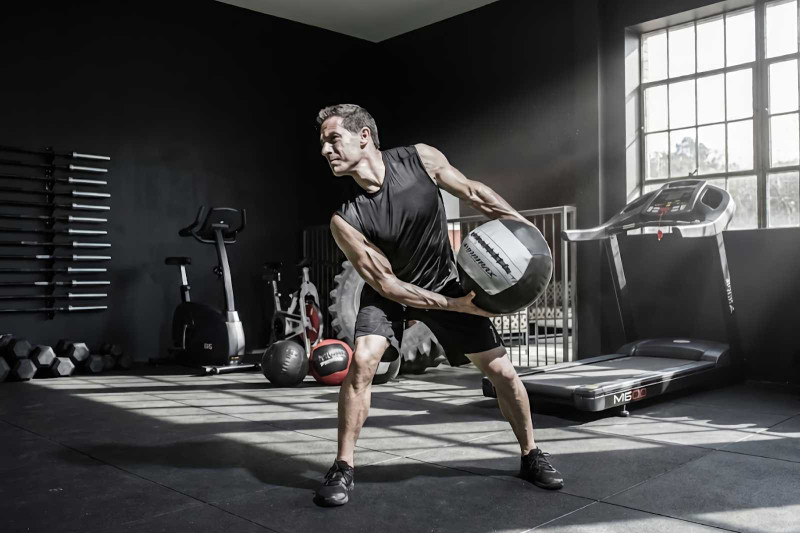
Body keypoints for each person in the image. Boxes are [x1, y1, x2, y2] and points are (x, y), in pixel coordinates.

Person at [314, 104, 563, 507]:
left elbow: (474, 192)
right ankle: (343, 466)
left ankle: (531, 453)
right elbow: (387, 284)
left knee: (502, 371)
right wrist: (453, 305)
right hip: (392, 294)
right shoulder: (346, 218)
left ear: (363, 137)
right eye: (323, 143)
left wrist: (524, 230)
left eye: (333, 139)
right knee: (362, 361)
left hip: (444, 278)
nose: (325, 150)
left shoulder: (420, 158)